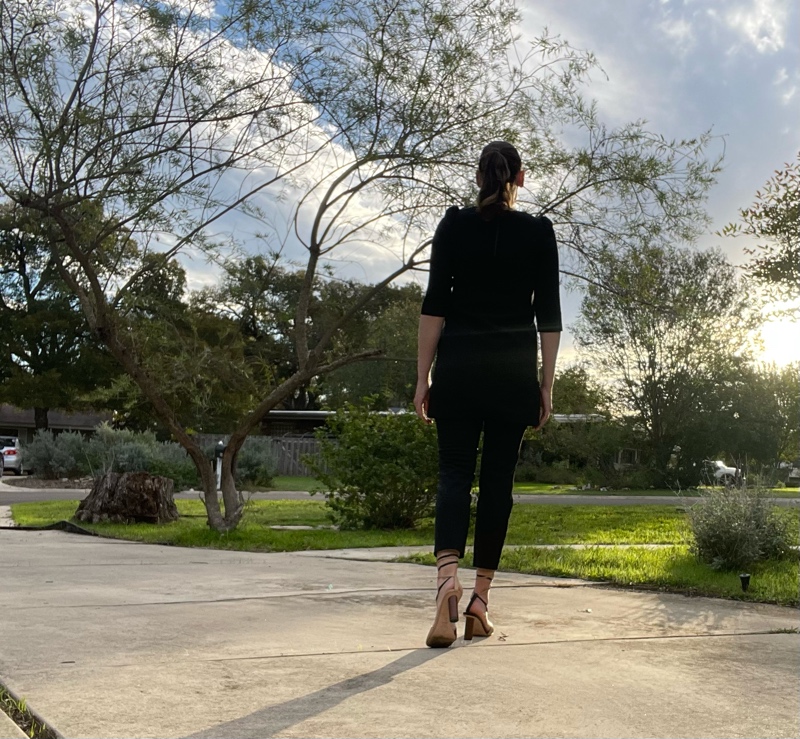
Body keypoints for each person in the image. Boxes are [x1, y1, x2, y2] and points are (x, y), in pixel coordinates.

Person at [415, 141, 562, 648]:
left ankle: (444, 586)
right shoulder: (539, 232)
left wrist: (422, 378)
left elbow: (434, 305)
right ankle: (479, 602)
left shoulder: (454, 225)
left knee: (453, 474)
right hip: (511, 374)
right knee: (498, 483)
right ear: (520, 178)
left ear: (478, 176)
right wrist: (544, 384)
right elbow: (549, 315)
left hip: (458, 370)